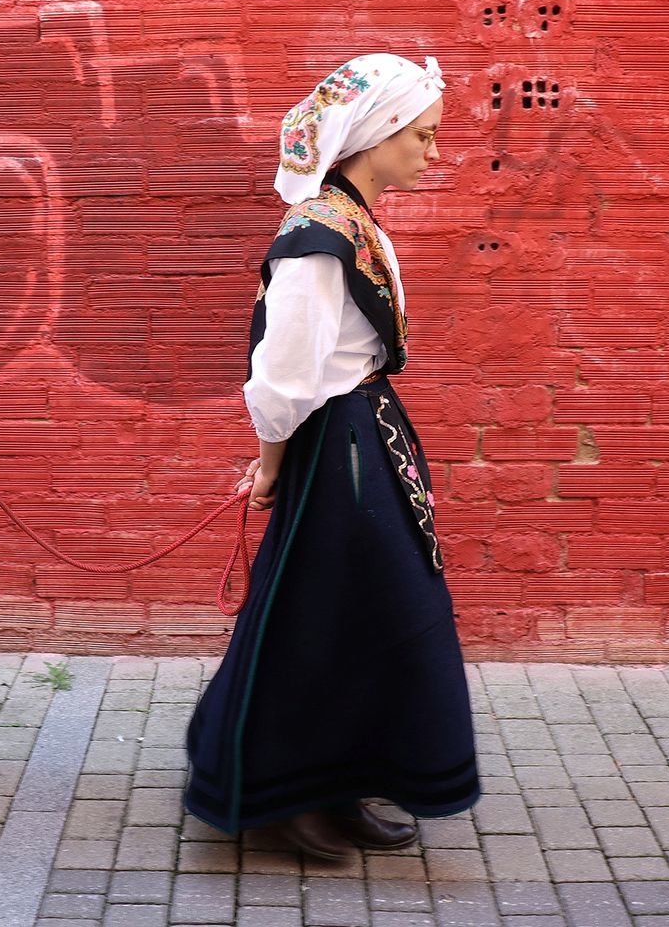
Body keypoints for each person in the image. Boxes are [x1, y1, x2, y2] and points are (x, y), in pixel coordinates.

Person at [184, 53, 481, 861]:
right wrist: (271, 464)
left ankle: (343, 782)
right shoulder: (317, 239)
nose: (430, 150)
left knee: (367, 618)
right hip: (333, 453)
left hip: (364, 440)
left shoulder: (351, 222)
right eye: (420, 135)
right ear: (376, 133)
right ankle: (283, 795)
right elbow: (282, 375)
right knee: (317, 621)